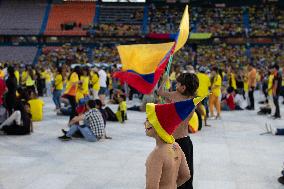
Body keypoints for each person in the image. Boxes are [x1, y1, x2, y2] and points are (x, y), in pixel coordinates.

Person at [145, 96, 205, 189]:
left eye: (148, 120)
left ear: (158, 126)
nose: (145, 123)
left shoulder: (156, 155)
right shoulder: (176, 146)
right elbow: (186, 175)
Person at [157, 73, 199, 189]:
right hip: (186, 142)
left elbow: (160, 92)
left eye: (178, 83)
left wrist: (164, 80)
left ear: (183, 87)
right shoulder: (193, 100)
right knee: (186, 176)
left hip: (174, 142)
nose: (176, 84)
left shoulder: (175, 95)